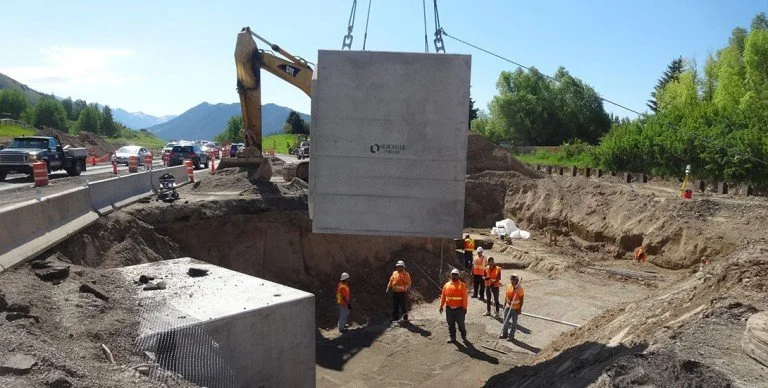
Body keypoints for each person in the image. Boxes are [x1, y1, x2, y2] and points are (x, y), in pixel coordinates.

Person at [439, 268, 469, 343]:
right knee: (450, 324)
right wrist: (441, 306)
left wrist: (465, 308)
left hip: (459, 309)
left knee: (461, 325)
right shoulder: (446, 285)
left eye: (456, 275)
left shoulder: (462, 285)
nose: (454, 276)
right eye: (453, 275)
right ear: (451, 276)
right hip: (449, 308)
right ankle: (452, 337)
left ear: (458, 276)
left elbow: (465, 297)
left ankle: (464, 336)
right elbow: (443, 296)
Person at [500, 273, 525, 341]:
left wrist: (519, 309)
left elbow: (521, 299)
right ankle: (504, 334)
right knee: (505, 321)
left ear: (517, 281)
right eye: (511, 280)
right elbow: (506, 296)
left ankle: (511, 336)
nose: (512, 281)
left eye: (514, 280)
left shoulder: (520, 289)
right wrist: (504, 304)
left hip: (515, 309)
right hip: (508, 307)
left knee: (514, 323)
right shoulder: (508, 286)